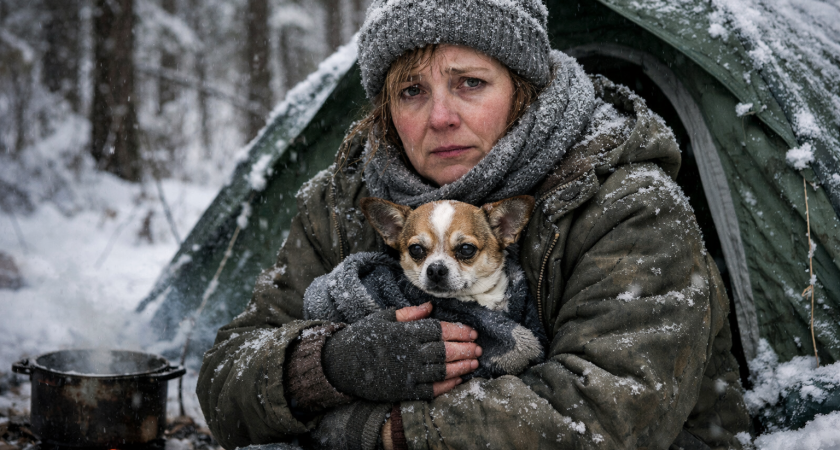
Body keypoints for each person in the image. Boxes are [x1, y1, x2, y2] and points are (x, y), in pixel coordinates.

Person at [197, 0, 751, 449]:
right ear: (386, 109)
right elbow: (226, 379)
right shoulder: (345, 201)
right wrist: (325, 366)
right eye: (412, 91)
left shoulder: (627, 204)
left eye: (470, 83)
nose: (441, 118)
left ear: (522, 89)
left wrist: (380, 430)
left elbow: (603, 415)